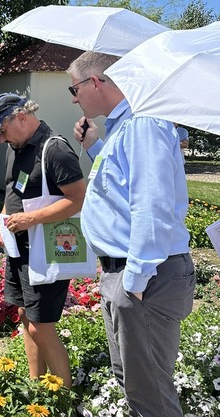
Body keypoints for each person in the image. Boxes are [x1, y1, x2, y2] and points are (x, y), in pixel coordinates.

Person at [67, 51, 195, 417]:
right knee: (136, 387)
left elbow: (152, 206)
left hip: (144, 276)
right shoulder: (127, 126)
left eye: (74, 89)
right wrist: (94, 146)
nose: (74, 99)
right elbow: (121, 187)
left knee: (152, 397)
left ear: (95, 82)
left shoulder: (142, 124)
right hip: (128, 274)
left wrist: (135, 282)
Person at [0, 93, 85, 388]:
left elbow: (78, 199)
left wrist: (31, 219)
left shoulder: (55, 149)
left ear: (20, 117)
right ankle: (36, 388)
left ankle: (63, 395)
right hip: (20, 249)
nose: (1, 139)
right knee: (25, 316)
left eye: (2, 130)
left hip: (45, 252)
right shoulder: (16, 148)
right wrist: (0, 219)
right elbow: (14, 193)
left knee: (41, 326)